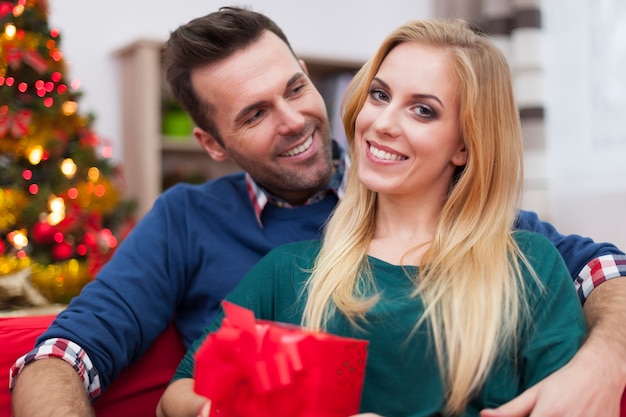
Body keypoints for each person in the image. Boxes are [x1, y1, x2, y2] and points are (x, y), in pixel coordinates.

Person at [9, 6, 626, 417]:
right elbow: (64, 355)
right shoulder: (213, 234)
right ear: (212, 145)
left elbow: (597, 270)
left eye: (295, 88)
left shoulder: (475, 222)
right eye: (253, 114)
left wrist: (604, 362)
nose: (294, 121)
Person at [155, 18, 588, 416]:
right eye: (379, 95)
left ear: (465, 146)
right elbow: (176, 397)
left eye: (423, 110)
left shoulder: (531, 268)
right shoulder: (288, 272)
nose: (382, 123)